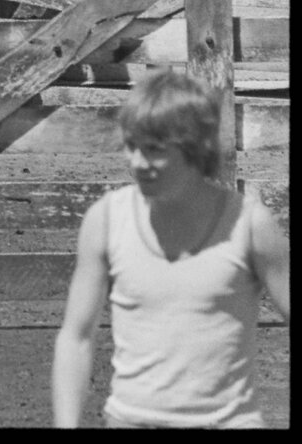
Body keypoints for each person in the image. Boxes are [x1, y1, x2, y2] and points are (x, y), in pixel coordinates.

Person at [51, 68, 289, 429]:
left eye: (154, 150)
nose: (137, 162)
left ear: (196, 148)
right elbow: (76, 337)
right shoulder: (107, 220)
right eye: (132, 146)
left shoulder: (249, 224)